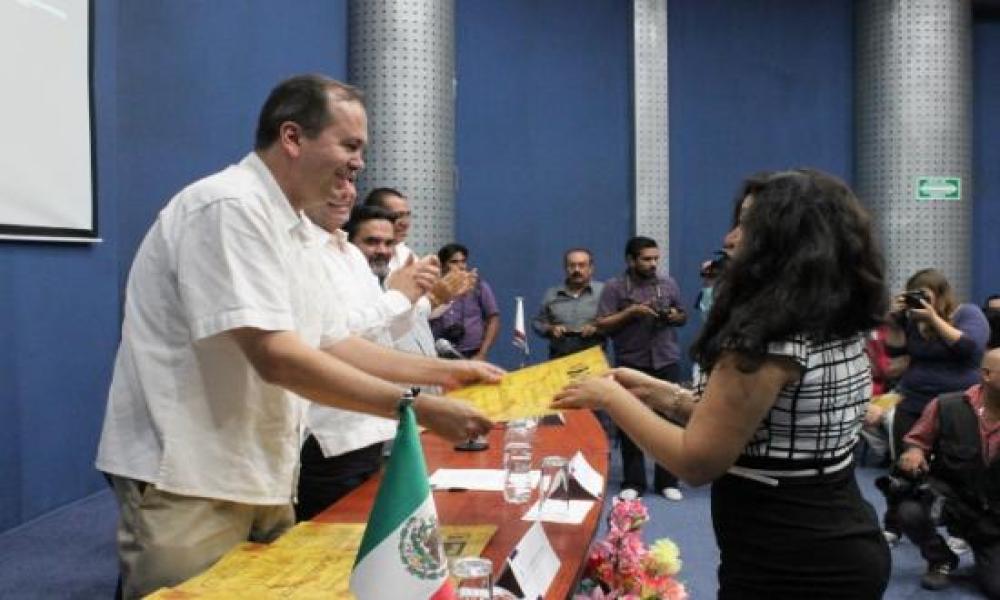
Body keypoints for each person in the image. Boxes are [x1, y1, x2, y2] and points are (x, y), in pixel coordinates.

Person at [94, 75, 497, 598]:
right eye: (350, 146)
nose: (359, 164)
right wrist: (417, 408)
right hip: (189, 479)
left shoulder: (298, 232)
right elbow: (276, 357)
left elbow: (334, 341)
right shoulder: (229, 206)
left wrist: (449, 371)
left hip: (261, 472)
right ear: (292, 137)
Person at [555, 169, 891, 598]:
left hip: (787, 558)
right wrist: (662, 394)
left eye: (748, 225)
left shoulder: (765, 340)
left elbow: (697, 462)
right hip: (836, 533)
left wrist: (611, 397)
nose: (731, 238)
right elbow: (755, 422)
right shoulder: (833, 316)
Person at [882, 268, 990, 543]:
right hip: (915, 399)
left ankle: (961, 530)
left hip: (957, 405)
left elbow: (970, 349)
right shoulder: (912, 321)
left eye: (926, 297)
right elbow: (895, 352)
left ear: (941, 295)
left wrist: (933, 318)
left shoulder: (967, 314)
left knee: (958, 469)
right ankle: (894, 524)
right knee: (903, 466)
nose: (920, 303)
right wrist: (894, 323)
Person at [891, 347, 1000, 596]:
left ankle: (986, 555)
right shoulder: (946, 405)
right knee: (910, 509)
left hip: (995, 513)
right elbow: (917, 440)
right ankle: (940, 559)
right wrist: (915, 453)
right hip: (952, 498)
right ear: (986, 375)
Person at [595, 236, 686, 501]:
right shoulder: (614, 287)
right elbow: (602, 324)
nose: (653, 263)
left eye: (656, 258)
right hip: (632, 362)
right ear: (631, 260)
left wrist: (673, 316)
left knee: (669, 421)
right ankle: (634, 482)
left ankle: (667, 481)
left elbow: (682, 315)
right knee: (629, 422)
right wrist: (632, 312)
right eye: (647, 259)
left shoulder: (668, 283)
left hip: (665, 358)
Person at [429, 243, 500, 361]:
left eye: (463, 261)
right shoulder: (434, 289)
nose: (461, 266)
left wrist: (482, 353)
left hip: (473, 354)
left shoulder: (478, 286)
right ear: (442, 265)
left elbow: (494, 319)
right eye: (454, 262)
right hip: (439, 353)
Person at [532, 248, 606, 359]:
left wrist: (598, 328)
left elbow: (616, 322)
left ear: (591, 268)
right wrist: (550, 329)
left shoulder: (604, 292)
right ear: (566, 268)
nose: (577, 270)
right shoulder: (552, 294)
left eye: (582, 265)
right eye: (572, 265)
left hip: (594, 357)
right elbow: (537, 323)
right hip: (560, 358)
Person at [363, 187, 414, 271]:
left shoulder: (405, 254)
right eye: (397, 216)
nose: (405, 224)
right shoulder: (355, 254)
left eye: (407, 215)